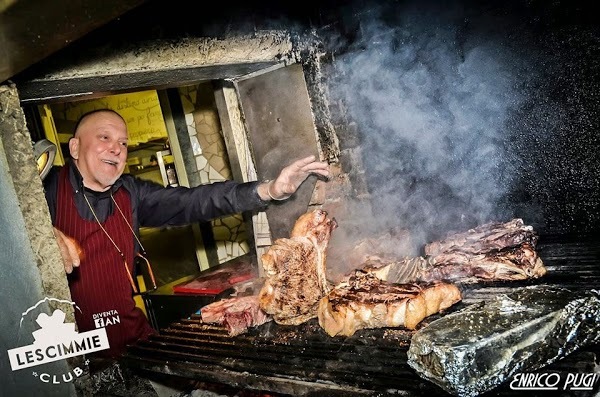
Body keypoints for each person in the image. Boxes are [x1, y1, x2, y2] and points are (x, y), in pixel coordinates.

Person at [43, 108, 330, 361]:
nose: (117, 149)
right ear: (75, 147)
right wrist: (40, 235)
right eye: (104, 138)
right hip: (72, 351)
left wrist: (269, 190)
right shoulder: (43, 190)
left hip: (131, 336)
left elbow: (195, 201)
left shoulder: (131, 192)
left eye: (123, 143)